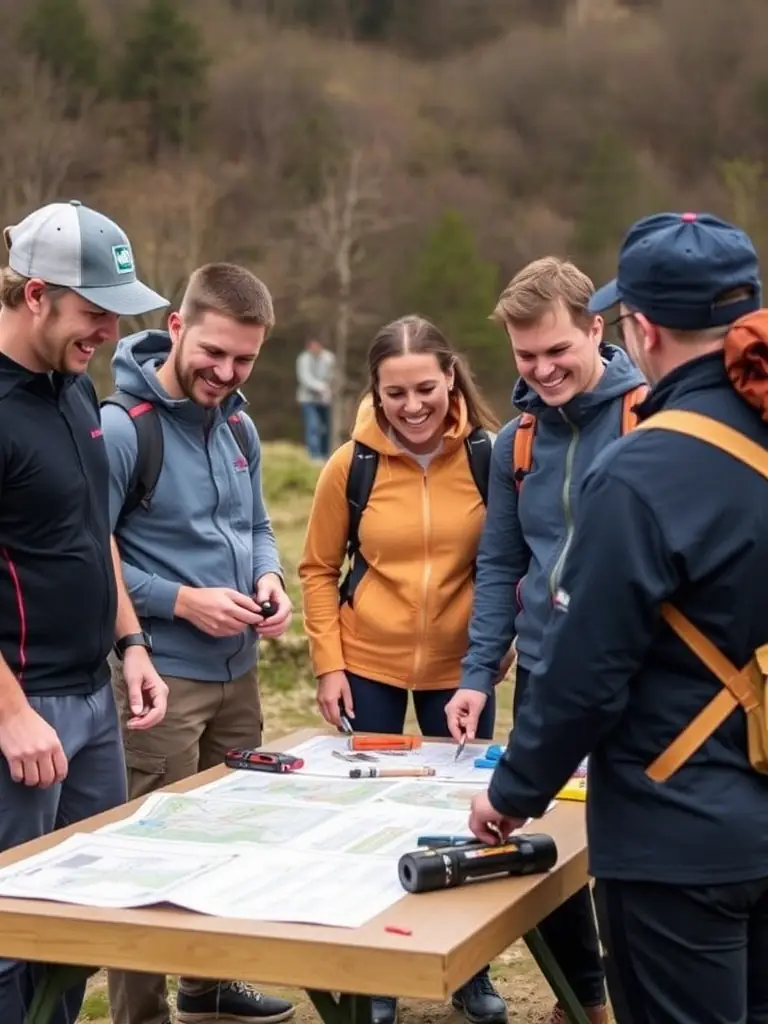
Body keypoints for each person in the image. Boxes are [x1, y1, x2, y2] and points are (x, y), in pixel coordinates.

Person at [467, 212, 768, 1024]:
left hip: (676, 832)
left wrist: (514, 790)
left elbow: (588, 670)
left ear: (638, 326)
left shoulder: (642, 469)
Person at [446, 256, 649, 1024]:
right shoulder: (516, 442)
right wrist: (476, 675)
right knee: (543, 845)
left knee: (625, 849)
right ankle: (584, 999)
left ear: (597, 327)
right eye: (526, 357)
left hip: (638, 677)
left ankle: (633, 993)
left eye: (557, 350)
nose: (542, 369)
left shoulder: (650, 417)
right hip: (541, 670)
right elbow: (501, 561)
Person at [298, 314, 508, 1024]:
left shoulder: (491, 456)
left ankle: (469, 969)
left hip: (463, 674)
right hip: (369, 671)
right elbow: (319, 570)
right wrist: (330, 667)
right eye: (396, 394)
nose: (413, 406)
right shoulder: (348, 465)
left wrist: (497, 648)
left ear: (451, 377)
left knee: (468, 821)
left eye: (425, 388)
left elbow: (511, 562)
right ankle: (377, 974)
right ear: (375, 392)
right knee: (370, 822)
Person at [102, 263, 296, 1024]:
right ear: (177, 328)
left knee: (232, 841)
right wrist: (181, 600)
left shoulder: (240, 425)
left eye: (243, 359)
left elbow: (255, 527)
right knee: (148, 862)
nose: (225, 371)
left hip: (238, 676)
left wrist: (269, 580)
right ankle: (140, 1014)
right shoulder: (125, 429)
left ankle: (209, 988)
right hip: (159, 681)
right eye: (213, 352)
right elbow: (96, 550)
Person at [0, 199, 169, 1024]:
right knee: (7, 935)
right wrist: (11, 713)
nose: (105, 330)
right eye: (93, 311)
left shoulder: (74, 389)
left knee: (76, 925)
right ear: (36, 294)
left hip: (93, 696)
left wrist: (131, 642)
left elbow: (90, 528)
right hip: (19, 715)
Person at [296, 336, 335, 461]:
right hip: (308, 399)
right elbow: (305, 378)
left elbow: (332, 376)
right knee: (313, 426)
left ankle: (325, 454)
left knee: (325, 427)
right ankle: (314, 455)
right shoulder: (303, 359)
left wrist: (327, 389)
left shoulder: (328, 358)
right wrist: (320, 387)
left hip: (325, 399)